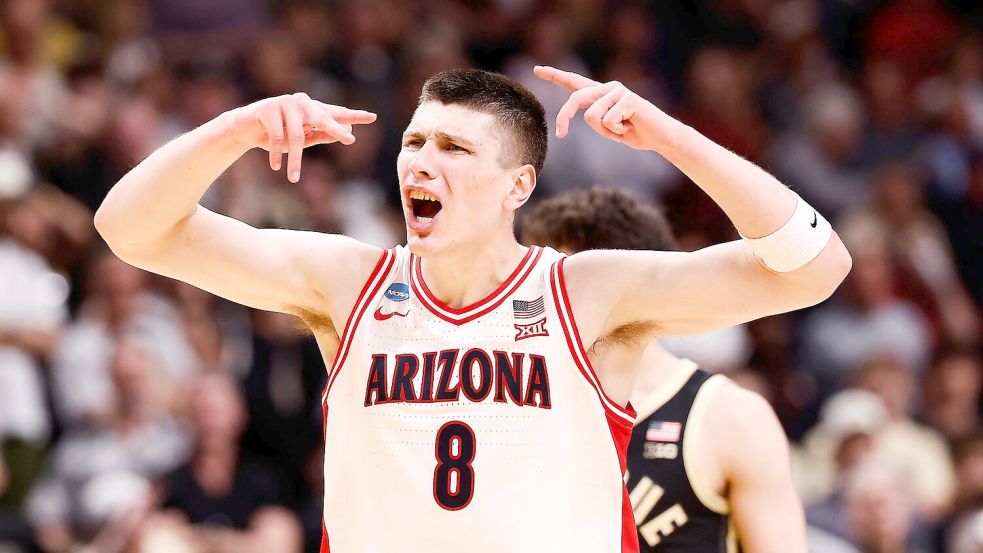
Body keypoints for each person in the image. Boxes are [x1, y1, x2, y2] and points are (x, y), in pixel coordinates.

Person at [94, 66, 851, 552]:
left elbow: (814, 266)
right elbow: (130, 229)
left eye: (454, 148)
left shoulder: (584, 292)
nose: (421, 160)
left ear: (518, 186)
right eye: (414, 141)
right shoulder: (347, 281)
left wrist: (670, 137)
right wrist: (236, 130)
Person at [522, 187, 807, 553]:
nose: (536, 298)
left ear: (622, 287)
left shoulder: (729, 416)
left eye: (555, 280)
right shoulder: (522, 404)